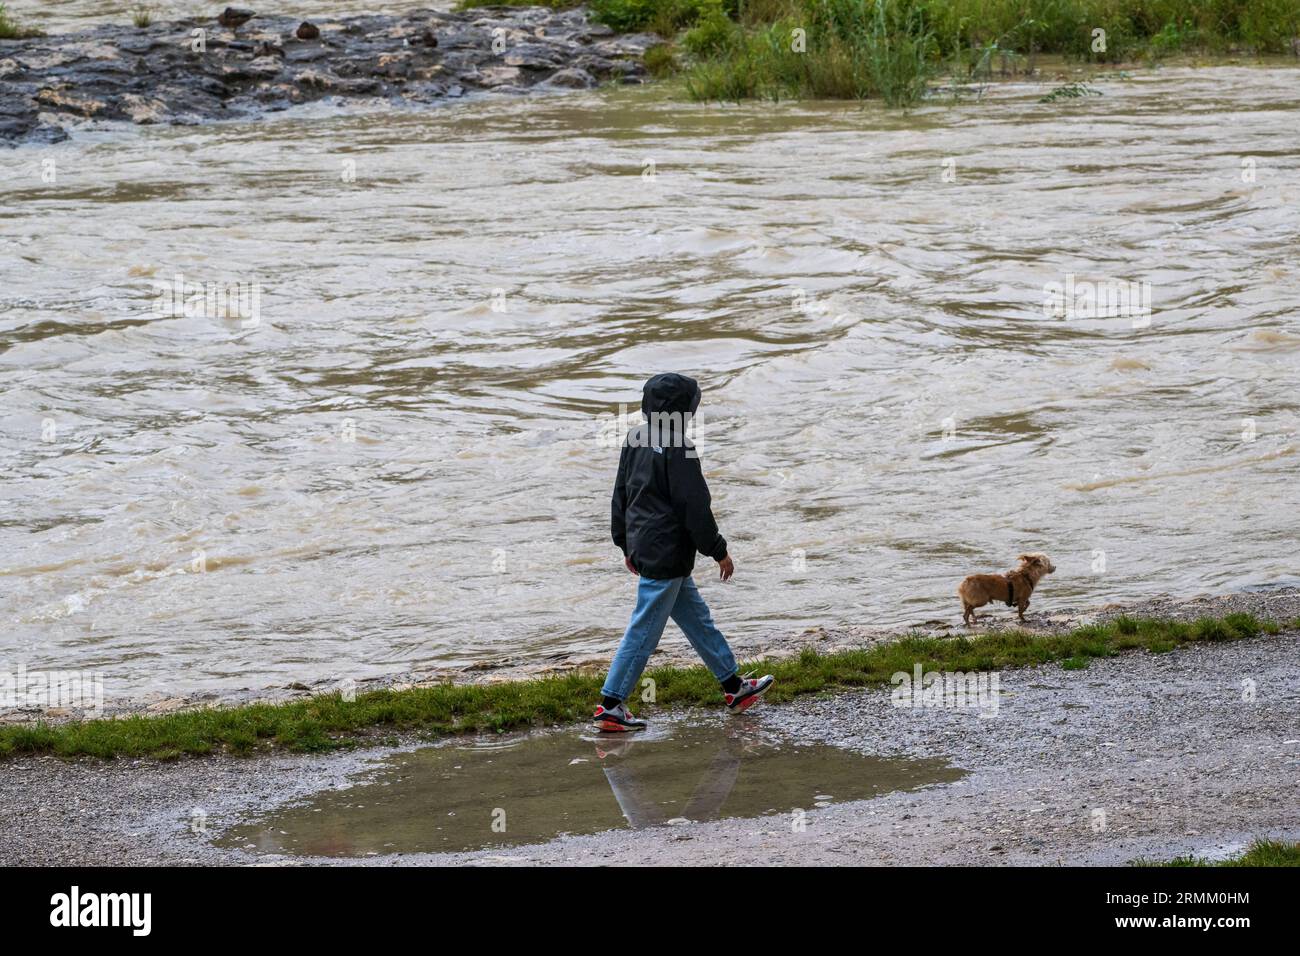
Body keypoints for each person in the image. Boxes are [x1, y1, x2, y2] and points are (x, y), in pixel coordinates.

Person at [594, 373, 774, 733]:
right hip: (668, 552)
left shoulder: (635, 438)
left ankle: (733, 687)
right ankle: (612, 704)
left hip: (646, 546)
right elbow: (695, 506)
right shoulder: (680, 447)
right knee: (644, 629)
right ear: (683, 409)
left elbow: (620, 496)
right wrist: (718, 550)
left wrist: (624, 543)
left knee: (696, 619)